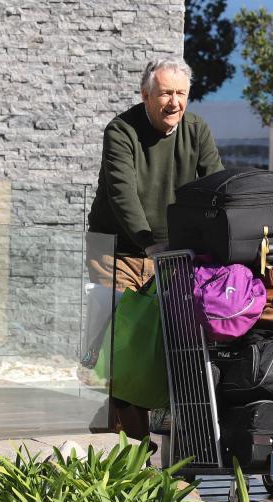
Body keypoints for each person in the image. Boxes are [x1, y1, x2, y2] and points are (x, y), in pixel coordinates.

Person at [86, 57, 224, 443]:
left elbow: (216, 185)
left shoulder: (196, 130)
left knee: (167, 346)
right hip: (119, 249)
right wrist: (149, 242)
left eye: (181, 93)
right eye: (165, 93)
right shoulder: (121, 131)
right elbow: (121, 193)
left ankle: (129, 424)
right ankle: (137, 447)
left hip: (171, 254)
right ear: (145, 94)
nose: (174, 102)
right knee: (126, 345)